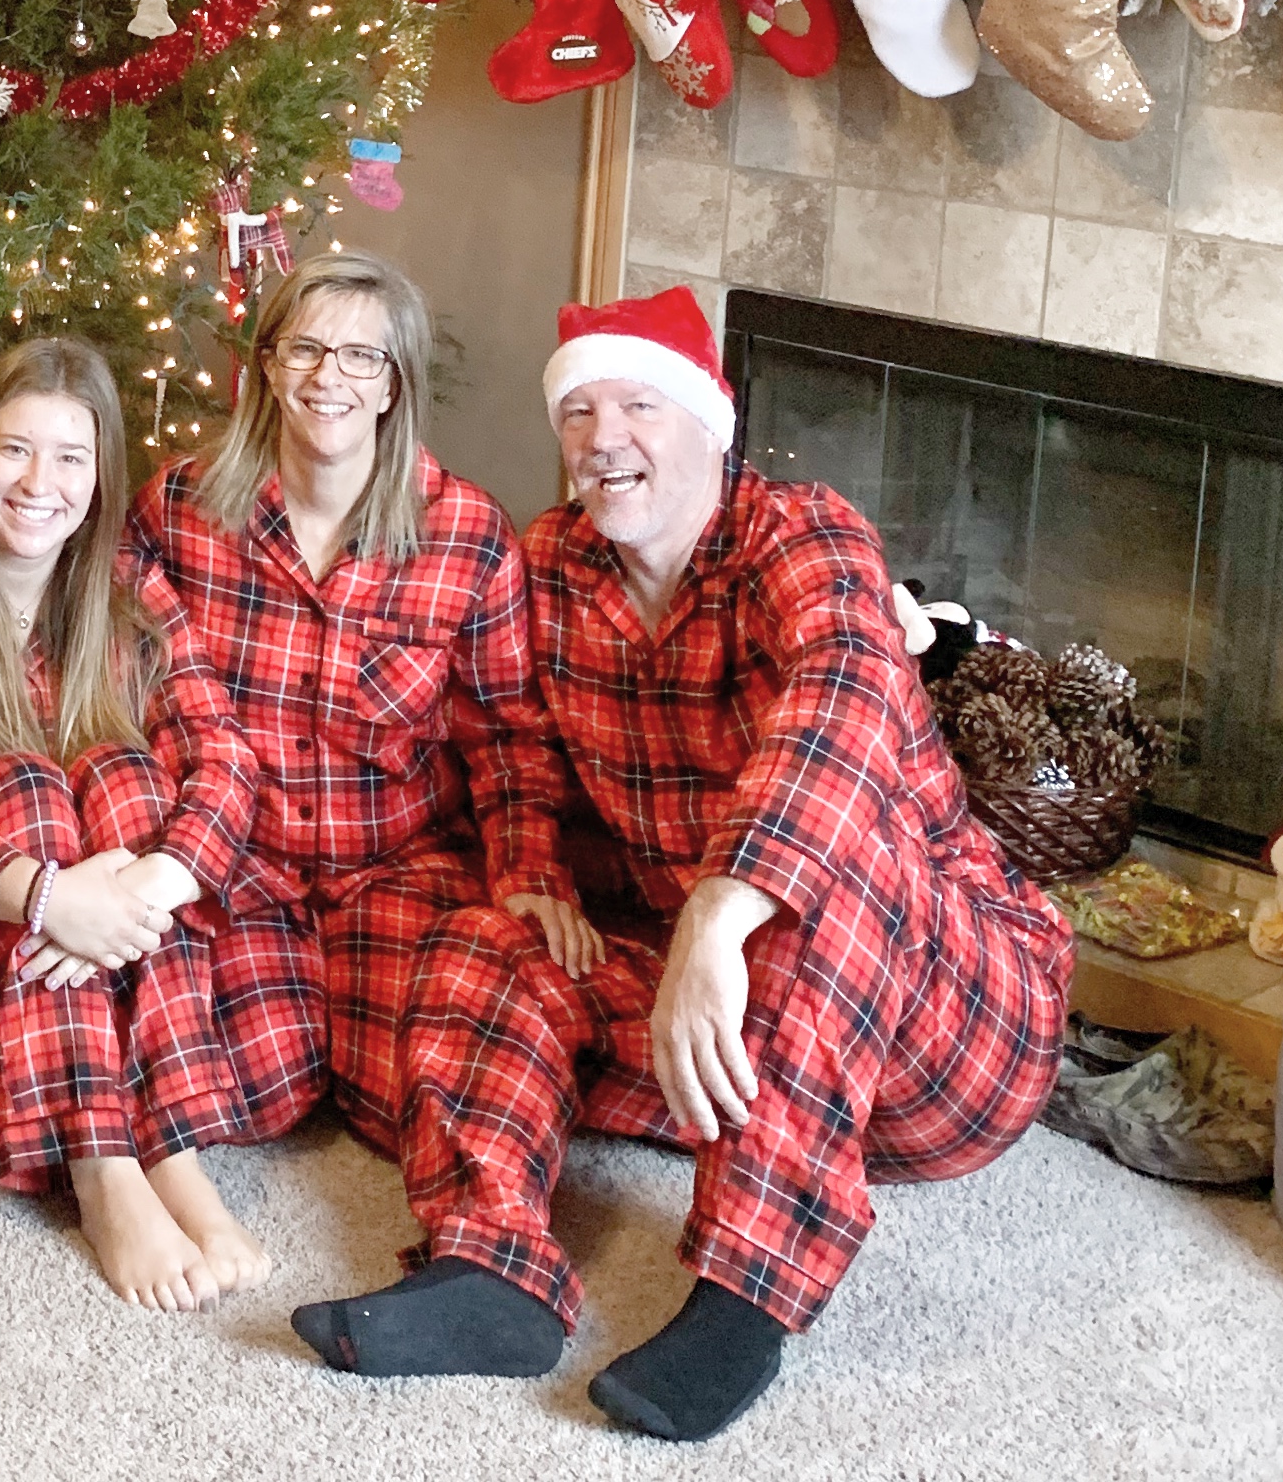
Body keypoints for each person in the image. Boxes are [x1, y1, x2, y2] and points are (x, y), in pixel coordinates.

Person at [305, 287, 1069, 1441]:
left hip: (953, 1026)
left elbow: (843, 703)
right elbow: (512, 744)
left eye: (639, 406)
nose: (605, 438)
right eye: (580, 411)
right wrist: (532, 875)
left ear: (713, 425)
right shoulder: (553, 565)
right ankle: (491, 1266)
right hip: (742, 1037)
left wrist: (717, 916)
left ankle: (744, 1294)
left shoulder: (804, 535)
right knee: (485, 936)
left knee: (837, 858)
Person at [128, 250, 578, 1329]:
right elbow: (118, 681)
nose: (333, 375)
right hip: (243, 876)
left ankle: (493, 1270)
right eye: (308, 347)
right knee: (255, 1090)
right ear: (270, 365)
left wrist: (526, 876)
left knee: (468, 1037)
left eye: (362, 355)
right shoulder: (182, 508)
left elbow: (511, 739)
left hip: (398, 872)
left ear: (394, 382)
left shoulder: (466, 533)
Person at [0, 338, 273, 1310]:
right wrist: (53, 895)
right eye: (15, 449)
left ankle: (173, 1142)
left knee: (124, 772)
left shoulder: (127, 595)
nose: (40, 482)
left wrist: (144, 883)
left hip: (100, 958)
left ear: (103, 471)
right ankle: (103, 1165)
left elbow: (226, 757)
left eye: (71, 456)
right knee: (28, 783)